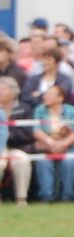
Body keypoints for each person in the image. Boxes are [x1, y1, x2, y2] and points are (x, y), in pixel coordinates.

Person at [31, 82, 74, 202]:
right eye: (45, 94)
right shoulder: (40, 110)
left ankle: (67, 195)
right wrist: (51, 143)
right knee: (43, 161)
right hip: (47, 146)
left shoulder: (71, 111)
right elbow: (36, 130)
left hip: (68, 146)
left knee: (69, 162)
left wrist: (63, 144)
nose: (45, 97)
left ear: (60, 98)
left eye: (49, 94)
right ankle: (46, 196)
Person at [0, 75, 31, 204]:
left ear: (13, 93)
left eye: (3, 89)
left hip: (16, 147)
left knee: (22, 161)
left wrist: (10, 135)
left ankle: (21, 198)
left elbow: (27, 133)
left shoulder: (24, 109)